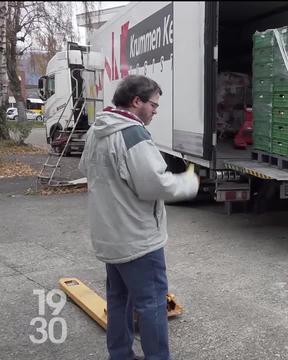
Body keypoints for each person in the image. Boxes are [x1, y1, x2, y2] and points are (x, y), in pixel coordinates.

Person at [79, 75, 199, 360]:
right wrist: (190, 182)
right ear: (136, 101)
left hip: (110, 237)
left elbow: (86, 168)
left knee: (119, 299)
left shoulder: (98, 129)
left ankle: (120, 354)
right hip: (138, 240)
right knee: (152, 304)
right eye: (153, 105)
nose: (156, 111)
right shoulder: (133, 134)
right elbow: (154, 185)